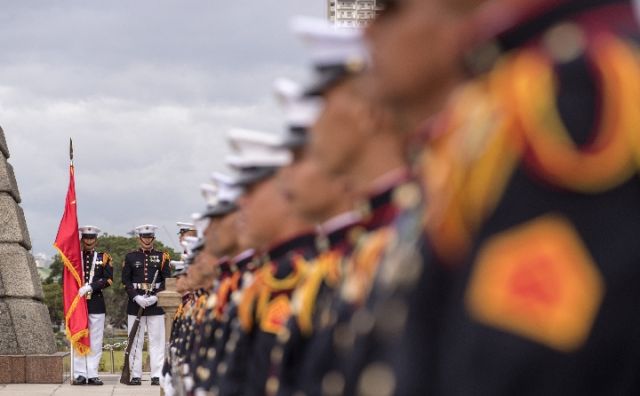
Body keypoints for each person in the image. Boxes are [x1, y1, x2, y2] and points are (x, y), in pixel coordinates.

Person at [122, 224, 172, 386]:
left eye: (149, 237)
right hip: (135, 303)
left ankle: (156, 375)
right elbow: (126, 280)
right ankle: (135, 375)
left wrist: (155, 298)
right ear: (139, 238)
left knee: (156, 340)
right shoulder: (130, 257)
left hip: (155, 304)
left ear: (153, 239)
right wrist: (136, 297)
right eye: (144, 237)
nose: (147, 240)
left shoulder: (162, 256)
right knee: (135, 340)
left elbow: (167, 281)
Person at [72, 226, 113, 386]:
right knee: (79, 337)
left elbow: (108, 279)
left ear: (96, 240)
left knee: (95, 340)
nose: (89, 241)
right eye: (86, 238)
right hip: (78, 303)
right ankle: (80, 373)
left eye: (92, 238)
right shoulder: (74, 257)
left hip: (96, 302)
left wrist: (91, 287)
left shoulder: (104, 257)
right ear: (82, 240)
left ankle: (93, 373)